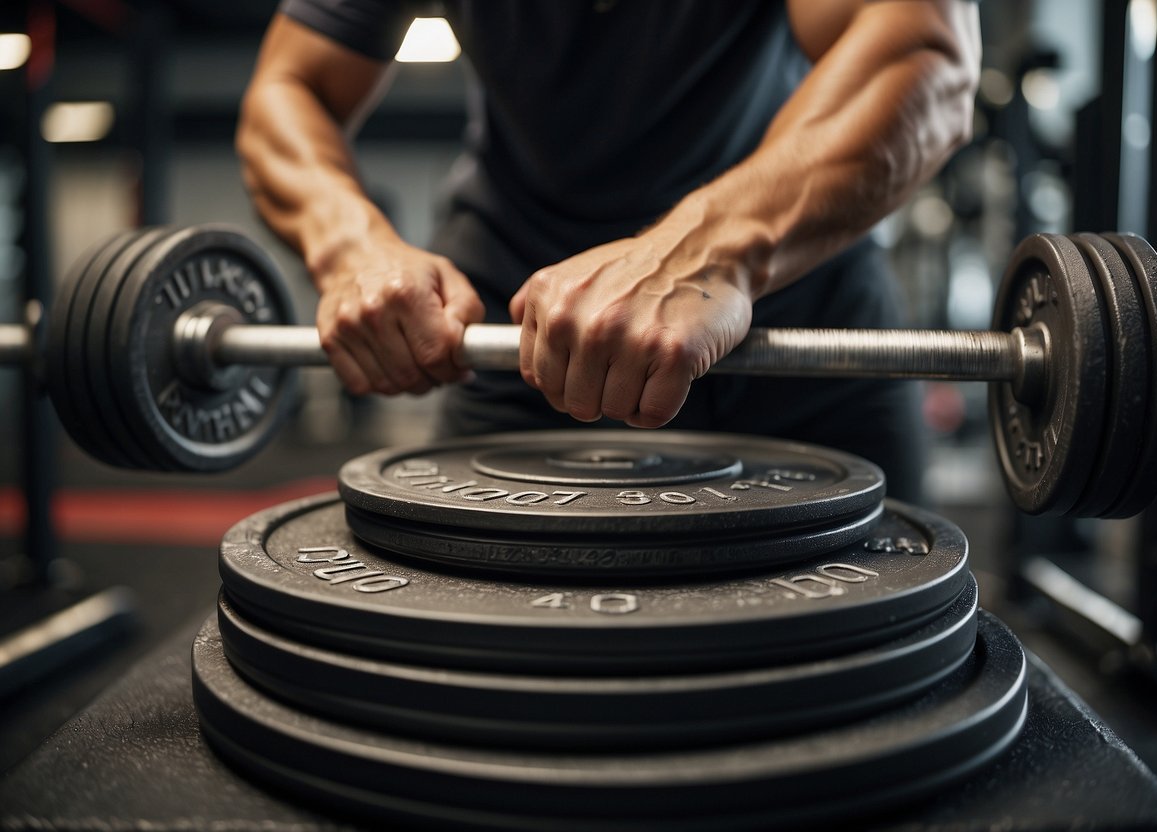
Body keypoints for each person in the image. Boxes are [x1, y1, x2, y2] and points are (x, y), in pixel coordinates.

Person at [237, 1, 982, 504]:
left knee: (889, 654)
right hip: (520, 325)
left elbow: (921, 52)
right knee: (481, 650)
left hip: (798, 314)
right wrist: (354, 251)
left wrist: (707, 252)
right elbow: (288, 87)